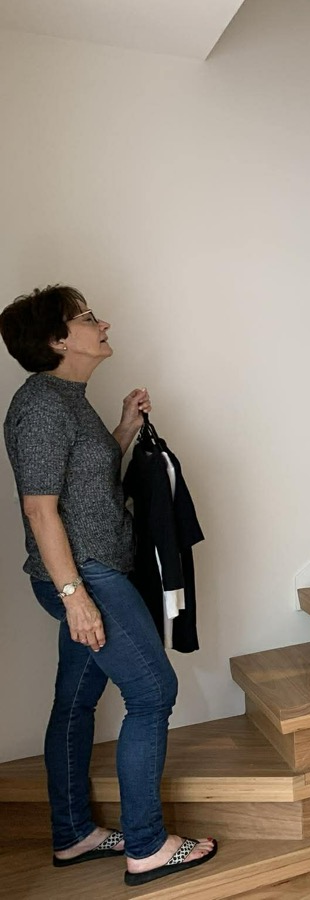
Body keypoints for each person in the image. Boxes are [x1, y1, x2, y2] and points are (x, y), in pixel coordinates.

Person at [0, 285, 217, 885]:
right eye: (88, 318)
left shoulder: (69, 398)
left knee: (74, 705)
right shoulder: (41, 405)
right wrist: (76, 599)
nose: (104, 323)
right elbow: (40, 510)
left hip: (94, 571)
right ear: (58, 340)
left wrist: (121, 429)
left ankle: (73, 834)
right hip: (85, 577)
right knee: (153, 694)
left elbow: (85, 485)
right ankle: (146, 846)